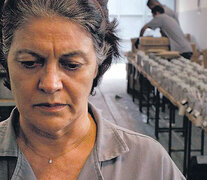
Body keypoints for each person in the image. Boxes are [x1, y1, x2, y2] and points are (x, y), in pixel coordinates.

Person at [0, 0, 186, 179]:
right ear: (6, 63)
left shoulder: (148, 164)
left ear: (97, 66)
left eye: (72, 65)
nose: (50, 84)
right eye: (29, 63)